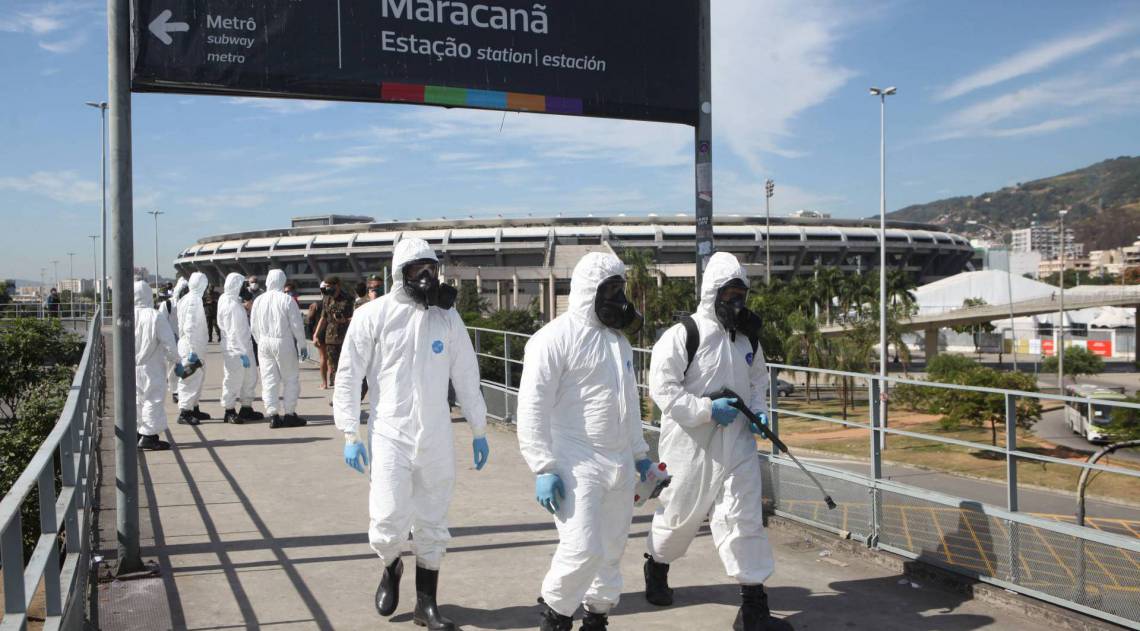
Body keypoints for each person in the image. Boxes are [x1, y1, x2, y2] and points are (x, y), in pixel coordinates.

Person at [333, 238, 489, 631]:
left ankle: (426, 604)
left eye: (431, 270)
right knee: (387, 519)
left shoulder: (446, 318)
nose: (426, 278)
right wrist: (349, 431)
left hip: (435, 433)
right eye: (417, 270)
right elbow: (349, 374)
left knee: (433, 519)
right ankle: (391, 565)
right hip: (389, 432)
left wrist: (479, 427)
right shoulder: (373, 315)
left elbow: (466, 373)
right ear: (399, 273)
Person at [643, 252, 792, 631]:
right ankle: (657, 565)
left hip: (737, 444)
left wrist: (758, 412)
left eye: (741, 294)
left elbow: (757, 381)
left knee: (744, 519)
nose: (736, 302)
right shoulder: (684, 335)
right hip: (690, 446)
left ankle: (754, 607)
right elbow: (663, 389)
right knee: (678, 517)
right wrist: (707, 409)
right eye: (728, 294)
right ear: (712, 292)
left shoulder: (748, 338)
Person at [517, 252, 651, 631]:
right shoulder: (552, 339)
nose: (618, 300)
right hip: (575, 462)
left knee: (611, 551)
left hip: (620, 462)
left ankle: (597, 617)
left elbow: (629, 404)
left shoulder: (619, 343)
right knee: (581, 548)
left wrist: (640, 455)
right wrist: (543, 466)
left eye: (620, 290)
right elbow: (532, 407)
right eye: (609, 291)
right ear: (588, 291)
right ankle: (555, 618)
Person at [250, 269, 308, 428]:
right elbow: (296, 325)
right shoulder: (287, 300)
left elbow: (253, 326)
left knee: (269, 380)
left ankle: (273, 415)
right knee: (290, 378)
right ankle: (289, 414)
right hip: (283, 341)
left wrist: (260, 341)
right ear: (282, 281)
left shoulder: (258, 300)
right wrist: (302, 344)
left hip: (263, 342)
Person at [133, 280, 180, 450]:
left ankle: (138, 432)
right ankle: (149, 436)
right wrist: (176, 360)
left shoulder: (127, 314)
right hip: (151, 364)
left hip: (131, 365)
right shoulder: (155, 316)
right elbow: (169, 343)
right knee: (153, 399)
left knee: (137, 399)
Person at [218, 272, 263, 424]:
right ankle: (229, 410)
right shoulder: (230, 305)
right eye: (243, 285)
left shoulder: (230, 299)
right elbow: (232, 332)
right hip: (235, 349)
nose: (245, 288)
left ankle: (246, 407)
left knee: (250, 378)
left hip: (244, 346)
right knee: (233, 379)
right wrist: (241, 352)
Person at [176, 272, 211, 425]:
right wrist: (192, 350)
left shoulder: (187, 298)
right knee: (189, 379)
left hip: (194, 345)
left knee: (198, 378)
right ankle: (185, 412)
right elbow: (189, 326)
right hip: (191, 346)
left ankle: (194, 407)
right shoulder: (193, 300)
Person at [313, 276, 353, 387]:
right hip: (330, 338)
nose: (328, 289)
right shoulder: (327, 298)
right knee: (334, 366)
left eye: (330, 286)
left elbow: (356, 316)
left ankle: (347, 388)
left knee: (346, 364)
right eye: (326, 286)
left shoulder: (348, 298)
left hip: (345, 337)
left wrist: (345, 320)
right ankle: (338, 389)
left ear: (337, 285)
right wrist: (316, 334)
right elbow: (323, 318)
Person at [161, 278, 186, 404]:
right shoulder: (167, 305)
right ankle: (175, 391)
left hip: (185, 340)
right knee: (172, 367)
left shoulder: (188, 303)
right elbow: (161, 324)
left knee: (186, 366)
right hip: (172, 339)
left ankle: (183, 390)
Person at [307, 293, 328, 389]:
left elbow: (309, 318)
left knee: (323, 357)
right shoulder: (334, 302)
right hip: (332, 332)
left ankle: (324, 383)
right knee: (330, 359)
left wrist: (312, 333)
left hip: (320, 332)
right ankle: (332, 380)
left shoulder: (316, 305)